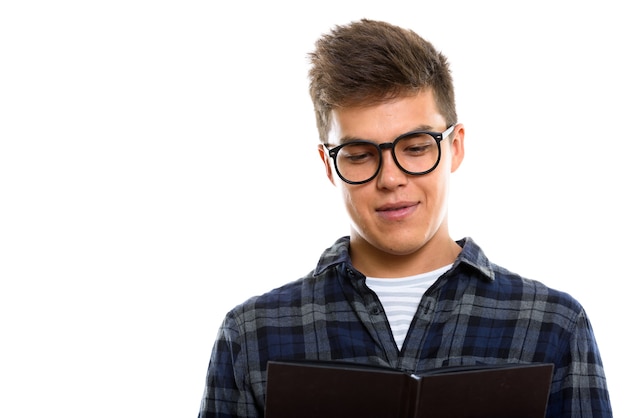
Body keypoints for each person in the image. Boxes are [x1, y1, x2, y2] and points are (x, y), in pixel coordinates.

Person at [198, 19, 612, 417]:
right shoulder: (251, 335)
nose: (391, 179)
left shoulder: (554, 326)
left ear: (456, 147)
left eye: (415, 148)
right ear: (328, 165)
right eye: (359, 155)